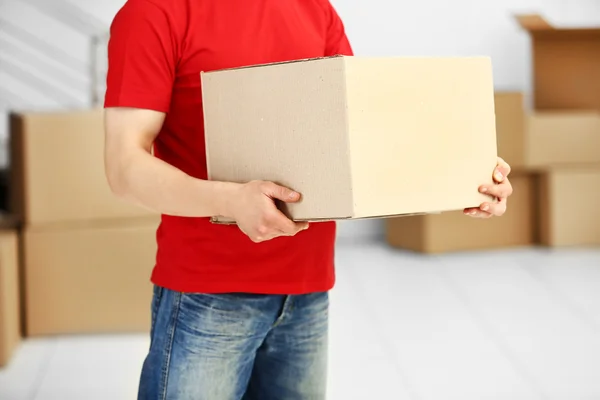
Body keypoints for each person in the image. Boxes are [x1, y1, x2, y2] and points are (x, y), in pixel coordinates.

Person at [103, 0, 514, 398]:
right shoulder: (153, 11)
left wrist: (464, 174)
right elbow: (123, 167)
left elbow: (356, 134)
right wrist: (230, 201)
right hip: (207, 296)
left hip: (306, 293)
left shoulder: (314, 8)